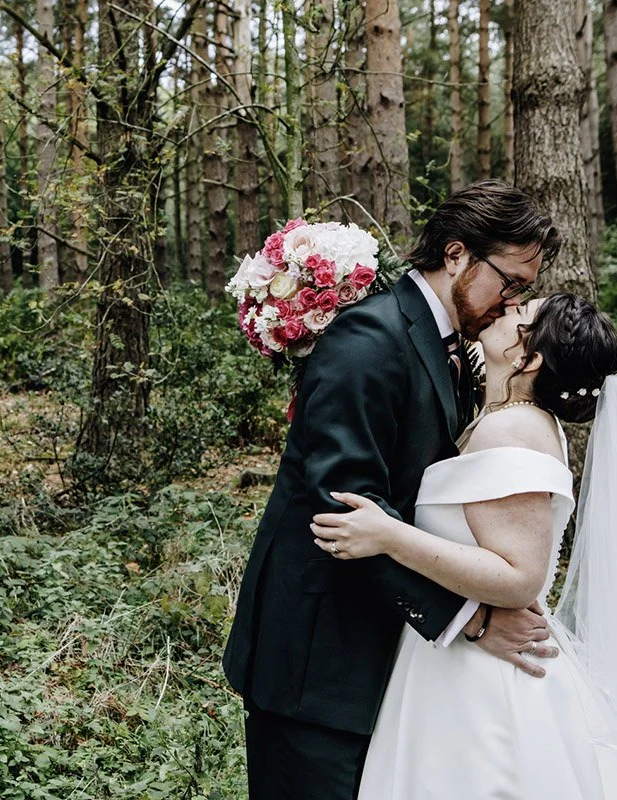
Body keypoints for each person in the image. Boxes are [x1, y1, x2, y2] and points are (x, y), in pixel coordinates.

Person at [222, 181, 565, 799]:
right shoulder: (369, 340)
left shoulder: (456, 347)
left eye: (523, 289)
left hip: (388, 654)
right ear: (457, 254)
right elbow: (344, 511)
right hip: (318, 657)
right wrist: (472, 619)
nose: (513, 300)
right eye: (509, 281)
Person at [312, 293, 617, 799]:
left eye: (521, 315)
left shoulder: (512, 432)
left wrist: (391, 535)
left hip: (486, 683)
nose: (508, 308)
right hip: (453, 660)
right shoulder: (507, 420)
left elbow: (519, 577)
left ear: (528, 358)